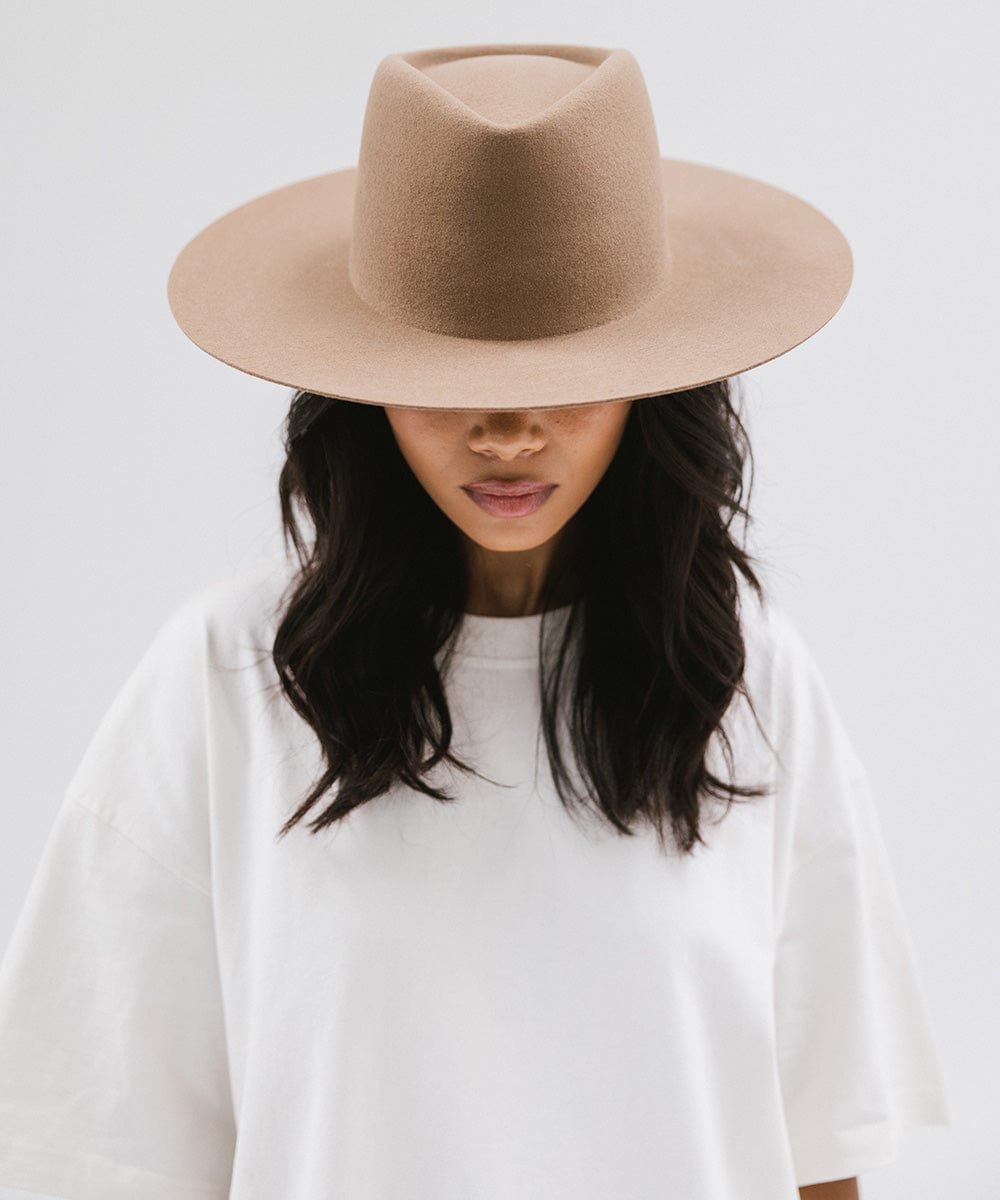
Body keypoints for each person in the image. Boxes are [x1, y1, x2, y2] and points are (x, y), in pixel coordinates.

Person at [0, 41, 951, 1200]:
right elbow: (105, 1147)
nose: (508, 430)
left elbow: (817, 1154)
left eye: (570, 366)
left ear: (654, 378)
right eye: (449, 370)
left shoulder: (747, 684)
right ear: (360, 378)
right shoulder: (228, 680)